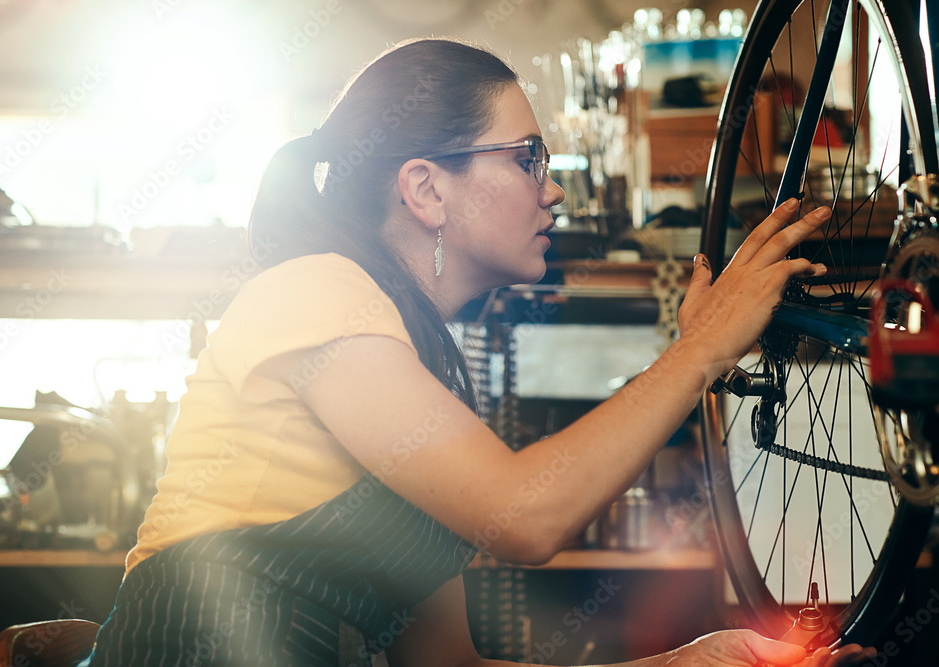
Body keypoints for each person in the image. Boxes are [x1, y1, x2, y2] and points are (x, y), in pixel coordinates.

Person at [84, 37, 876, 666]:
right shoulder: (314, 290)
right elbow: (525, 516)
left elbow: (450, 664)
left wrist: (688, 662)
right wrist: (700, 349)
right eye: (527, 156)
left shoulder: (415, 361)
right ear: (426, 189)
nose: (554, 188)